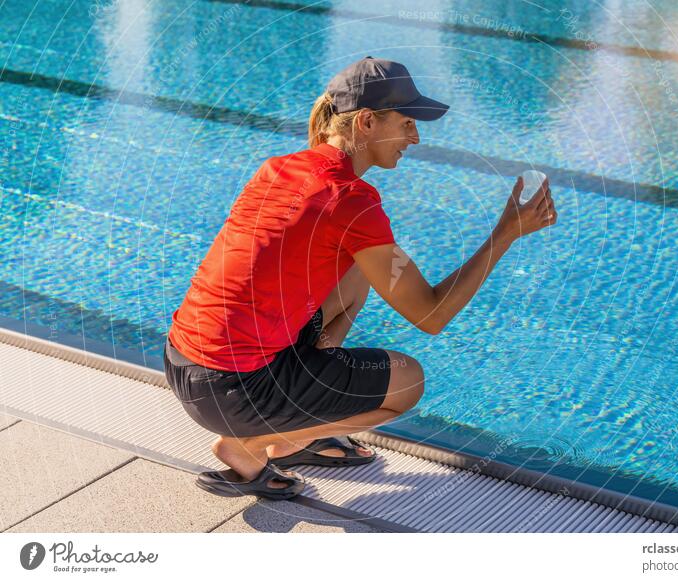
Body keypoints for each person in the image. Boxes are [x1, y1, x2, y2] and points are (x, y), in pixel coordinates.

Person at [163, 56, 557, 500]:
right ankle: (252, 446)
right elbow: (431, 315)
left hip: (182, 363)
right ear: (367, 121)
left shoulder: (279, 168)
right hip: (235, 391)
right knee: (408, 382)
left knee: (356, 271)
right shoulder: (350, 201)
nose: (415, 137)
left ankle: (298, 427)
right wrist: (506, 233)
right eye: (408, 122)